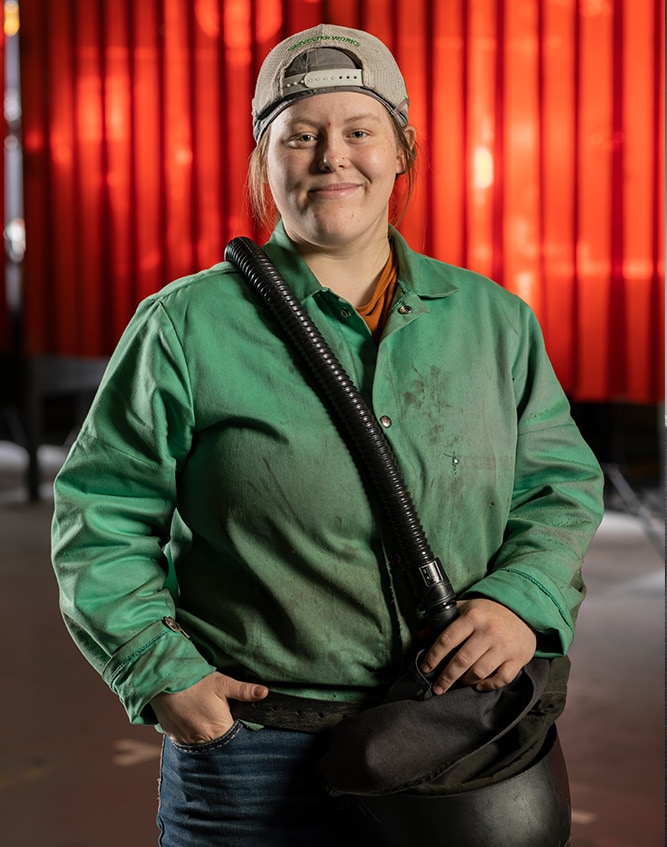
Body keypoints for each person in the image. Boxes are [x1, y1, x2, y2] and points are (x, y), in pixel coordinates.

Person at [51, 23, 604, 846]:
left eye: (358, 131)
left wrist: (519, 601)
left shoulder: (493, 322)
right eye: (299, 135)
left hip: (451, 737)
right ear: (262, 162)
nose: (329, 157)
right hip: (250, 749)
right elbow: (101, 512)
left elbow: (556, 487)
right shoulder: (185, 326)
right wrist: (161, 671)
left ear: (400, 150)